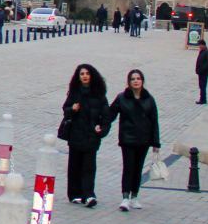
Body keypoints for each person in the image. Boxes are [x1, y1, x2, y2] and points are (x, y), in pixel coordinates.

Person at [61, 63, 109, 207]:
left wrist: (102, 130)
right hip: (75, 135)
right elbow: (65, 109)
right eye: (82, 74)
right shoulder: (74, 93)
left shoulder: (99, 95)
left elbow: (106, 116)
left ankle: (88, 195)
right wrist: (72, 109)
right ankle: (75, 194)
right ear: (78, 77)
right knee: (74, 166)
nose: (85, 76)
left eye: (87, 74)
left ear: (92, 76)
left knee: (89, 167)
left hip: (91, 136)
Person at [112, 69, 161, 211]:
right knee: (128, 167)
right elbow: (111, 113)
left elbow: (154, 121)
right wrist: (100, 125)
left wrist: (155, 142)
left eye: (138, 78)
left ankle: (134, 196)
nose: (136, 81)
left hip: (143, 140)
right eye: (133, 79)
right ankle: (125, 197)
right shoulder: (122, 98)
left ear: (142, 81)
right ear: (129, 82)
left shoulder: (149, 99)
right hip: (127, 139)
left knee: (138, 168)